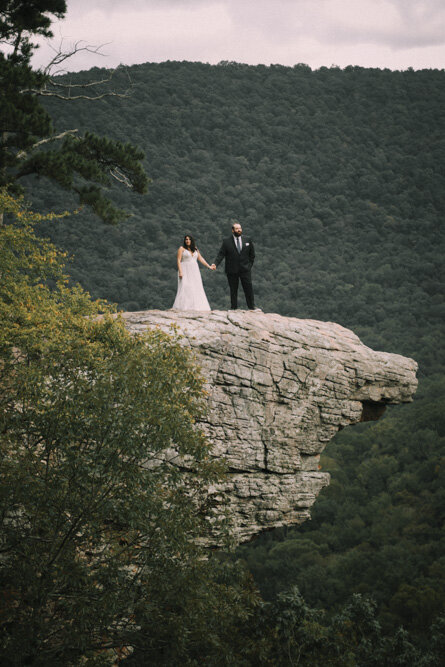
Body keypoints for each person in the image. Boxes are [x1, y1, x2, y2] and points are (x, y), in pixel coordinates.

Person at [212, 221, 256, 310]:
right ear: (233, 230)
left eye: (240, 228)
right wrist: (215, 263)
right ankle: (234, 308)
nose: (239, 230)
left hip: (245, 269)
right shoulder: (226, 241)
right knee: (233, 290)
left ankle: (252, 307)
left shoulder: (247, 240)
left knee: (248, 288)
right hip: (232, 270)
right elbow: (221, 254)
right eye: (237, 229)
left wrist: (249, 266)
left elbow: (252, 254)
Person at [172, 234, 214, 311]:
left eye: (189, 239)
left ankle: (196, 306)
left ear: (192, 241)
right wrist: (180, 272)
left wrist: (209, 266)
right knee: (185, 287)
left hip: (194, 270)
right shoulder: (181, 249)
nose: (187, 241)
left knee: (196, 287)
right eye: (186, 239)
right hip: (185, 269)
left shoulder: (195, 249)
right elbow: (178, 260)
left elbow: (201, 258)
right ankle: (184, 306)